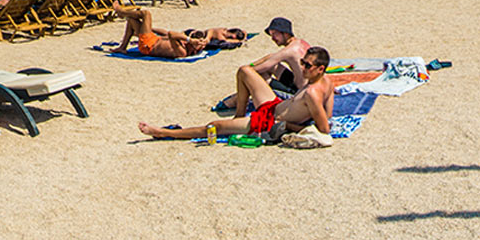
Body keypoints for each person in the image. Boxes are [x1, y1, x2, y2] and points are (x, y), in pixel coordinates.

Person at [139, 47, 335, 141]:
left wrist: (286, 126)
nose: (302, 68)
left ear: (320, 68)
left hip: (268, 120)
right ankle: (239, 115)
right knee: (244, 71)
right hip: (274, 106)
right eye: (303, 63)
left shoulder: (312, 93)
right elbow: (329, 112)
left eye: (307, 66)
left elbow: (324, 128)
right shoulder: (326, 81)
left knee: (213, 127)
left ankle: (163, 132)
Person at [237, 16, 312, 99]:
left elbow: (261, 68)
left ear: (285, 33)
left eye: (274, 34)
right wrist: (251, 65)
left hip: (299, 93)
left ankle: (237, 101)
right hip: (305, 85)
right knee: (271, 63)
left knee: (260, 76)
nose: (272, 38)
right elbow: (271, 57)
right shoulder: (300, 43)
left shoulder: (288, 51)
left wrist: (246, 71)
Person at [108, 4, 207, 58]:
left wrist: (191, 40)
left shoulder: (182, 52)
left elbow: (171, 34)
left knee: (146, 14)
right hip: (152, 38)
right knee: (132, 21)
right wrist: (150, 28)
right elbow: (166, 32)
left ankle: (120, 12)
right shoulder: (184, 42)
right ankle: (122, 47)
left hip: (148, 46)